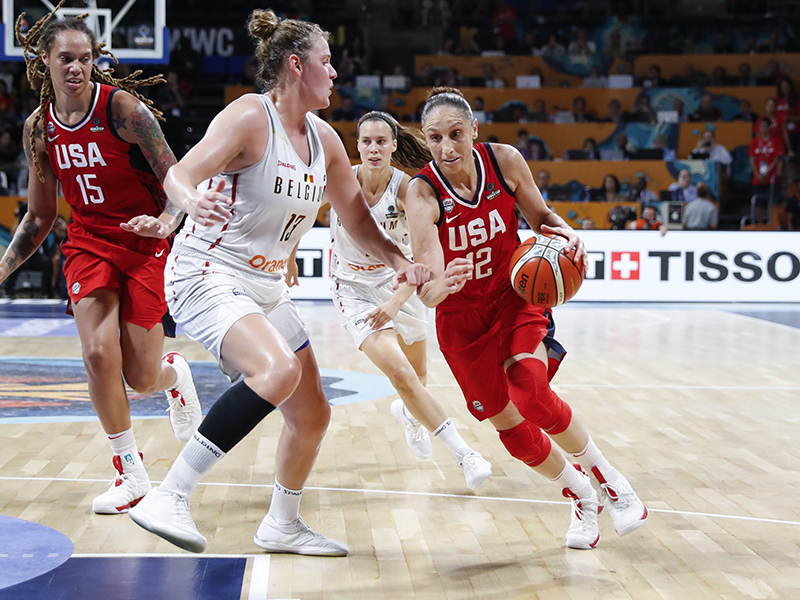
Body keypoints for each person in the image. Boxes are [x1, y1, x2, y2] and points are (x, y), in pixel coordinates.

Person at [126, 9, 430, 556]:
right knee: (278, 369)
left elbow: (357, 219)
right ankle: (168, 496)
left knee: (313, 412)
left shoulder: (326, 140)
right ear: (296, 65)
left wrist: (397, 259)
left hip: (264, 286)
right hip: (207, 271)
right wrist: (189, 199)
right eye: (326, 62)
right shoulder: (249, 116)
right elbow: (178, 172)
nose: (336, 73)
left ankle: (282, 525)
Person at [405, 87, 647, 550]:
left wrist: (570, 235)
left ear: (474, 130)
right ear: (426, 139)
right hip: (460, 319)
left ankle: (613, 482)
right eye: (435, 138)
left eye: (456, 134)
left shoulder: (505, 161)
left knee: (531, 393)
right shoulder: (421, 193)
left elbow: (542, 218)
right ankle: (580, 495)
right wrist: (444, 283)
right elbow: (429, 292)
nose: (447, 147)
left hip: (512, 296)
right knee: (515, 437)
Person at [0, 5, 201, 514]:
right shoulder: (39, 129)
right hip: (89, 242)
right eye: (65, 58)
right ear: (44, 60)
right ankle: (130, 474)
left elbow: (177, 181)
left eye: (85, 58)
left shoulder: (124, 111)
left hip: (144, 241)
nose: (76, 67)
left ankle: (173, 375)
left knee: (141, 376)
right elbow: (40, 216)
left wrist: (167, 223)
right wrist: (1, 270)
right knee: (95, 355)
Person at [327, 111, 491, 489]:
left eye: (381, 141)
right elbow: (301, 214)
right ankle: (465, 454)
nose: (373, 148)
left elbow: (420, 261)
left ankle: (409, 414)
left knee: (417, 375)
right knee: (400, 374)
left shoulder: (408, 191)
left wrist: (397, 302)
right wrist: (288, 254)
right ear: (357, 145)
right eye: (366, 141)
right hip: (353, 290)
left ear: (394, 146)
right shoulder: (340, 182)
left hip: (403, 285)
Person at [748, 117, 785, 223]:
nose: (762, 128)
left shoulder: (775, 141)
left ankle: (771, 223)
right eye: (761, 126)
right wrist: (757, 174)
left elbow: (777, 159)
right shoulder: (754, 142)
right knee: (758, 202)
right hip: (757, 178)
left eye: (765, 126)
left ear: (769, 127)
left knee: (771, 202)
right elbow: (752, 160)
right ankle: (760, 224)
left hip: (771, 177)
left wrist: (768, 171)